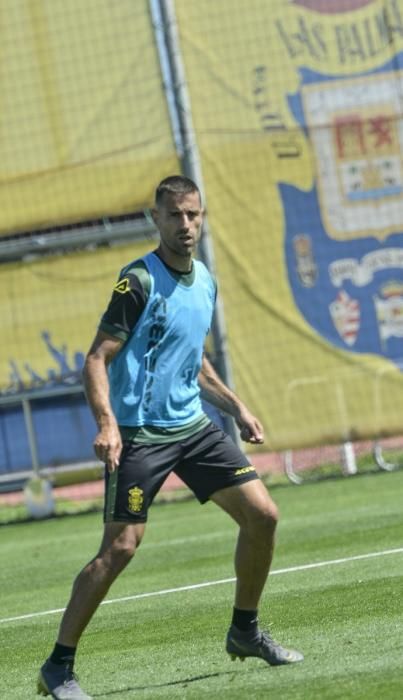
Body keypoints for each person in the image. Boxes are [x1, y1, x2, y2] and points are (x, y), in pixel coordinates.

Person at [38, 175, 303, 700]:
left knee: (264, 516)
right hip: (140, 437)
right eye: (176, 215)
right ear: (155, 219)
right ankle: (58, 667)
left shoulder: (205, 279)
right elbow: (96, 359)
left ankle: (244, 631)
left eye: (194, 215)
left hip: (193, 430)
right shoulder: (136, 281)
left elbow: (196, 365)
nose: (186, 225)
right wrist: (108, 424)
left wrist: (239, 408)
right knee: (121, 548)